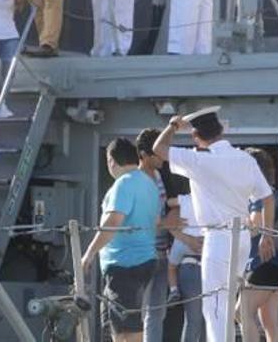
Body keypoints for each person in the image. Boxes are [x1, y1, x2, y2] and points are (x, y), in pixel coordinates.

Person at [152, 106, 275, 342]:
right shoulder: (245, 158)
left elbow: (159, 149)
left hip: (218, 239)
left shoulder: (199, 159)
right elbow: (266, 197)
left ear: (196, 137)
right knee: (227, 305)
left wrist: (173, 125)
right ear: (220, 130)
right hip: (242, 240)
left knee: (214, 307)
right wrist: (267, 235)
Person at [82, 138, 160, 342]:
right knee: (117, 327)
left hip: (125, 265)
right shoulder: (149, 184)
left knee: (127, 331)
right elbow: (157, 220)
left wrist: (89, 254)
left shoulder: (123, 184)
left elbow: (113, 220)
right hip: (142, 260)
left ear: (111, 161)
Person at [239, 147, 278, 342]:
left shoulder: (259, 195)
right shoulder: (274, 193)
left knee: (242, 313)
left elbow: (255, 227)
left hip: (265, 264)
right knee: (269, 321)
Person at [136, 128, 170, 341]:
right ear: (143, 155)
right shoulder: (135, 181)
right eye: (157, 153)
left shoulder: (160, 176)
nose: (163, 157)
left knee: (157, 312)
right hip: (142, 254)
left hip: (162, 253)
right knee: (140, 311)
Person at [166, 193, 205, 342]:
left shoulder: (186, 199)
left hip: (184, 245)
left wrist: (176, 205)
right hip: (206, 249)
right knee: (209, 321)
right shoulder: (212, 197)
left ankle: (173, 290)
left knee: (192, 320)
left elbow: (169, 202)